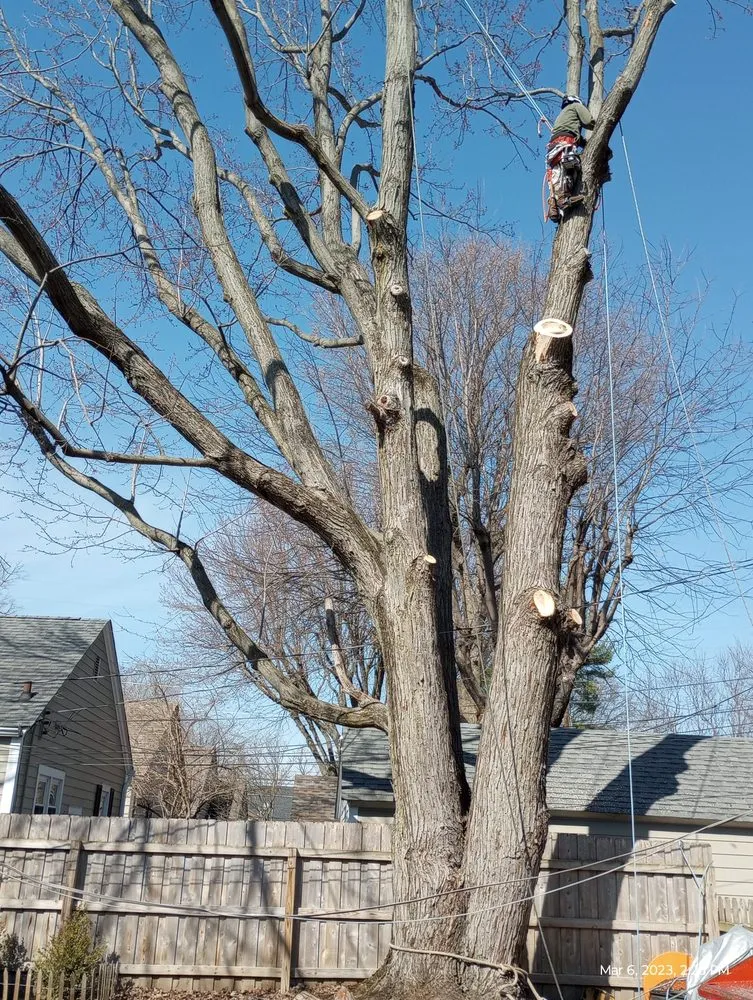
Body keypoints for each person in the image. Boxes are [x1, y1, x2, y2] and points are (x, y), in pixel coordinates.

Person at [546, 95, 595, 222]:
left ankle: (554, 204)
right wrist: (599, 125)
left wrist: (585, 143)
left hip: (553, 146)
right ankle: (562, 200)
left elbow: (572, 132)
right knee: (569, 169)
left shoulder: (562, 115)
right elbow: (588, 121)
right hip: (565, 141)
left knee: (558, 173)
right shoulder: (576, 106)